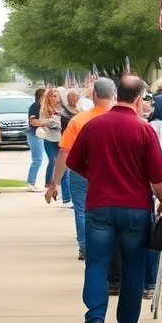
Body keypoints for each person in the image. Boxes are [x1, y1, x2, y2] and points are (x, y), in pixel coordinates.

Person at [67, 75, 162, 323]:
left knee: (97, 265)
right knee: (133, 270)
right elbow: (157, 174)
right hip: (135, 208)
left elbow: (73, 161)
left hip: (99, 205)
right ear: (138, 98)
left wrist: (97, 176)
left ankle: (95, 320)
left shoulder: (93, 126)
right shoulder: (144, 129)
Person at [45, 78, 116, 259]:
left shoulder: (79, 120)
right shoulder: (123, 119)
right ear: (114, 94)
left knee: (82, 210)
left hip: (81, 172)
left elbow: (64, 152)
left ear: (94, 96)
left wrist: (55, 183)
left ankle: (85, 247)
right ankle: (109, 245)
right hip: (112, 172)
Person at [38, 87, 65, 188]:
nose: (56, 98)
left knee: (62, 162)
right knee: (53, 160)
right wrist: (50, 121)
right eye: (54, 96)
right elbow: (41, 121)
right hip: (49, 139)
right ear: (49, 98)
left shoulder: (62, 109)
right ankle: (48, 182)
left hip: (60, 138)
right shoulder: (44, 110)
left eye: (57, 96)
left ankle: (60, 183)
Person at [25, 88, 46, 192]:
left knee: (40, 159)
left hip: (40, 134)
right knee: (37, 159)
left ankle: (32, 181)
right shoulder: (35, 106)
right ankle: (31, 182)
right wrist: (47, 122)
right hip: (34, 134)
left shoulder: (43, 107)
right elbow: (33, 122)